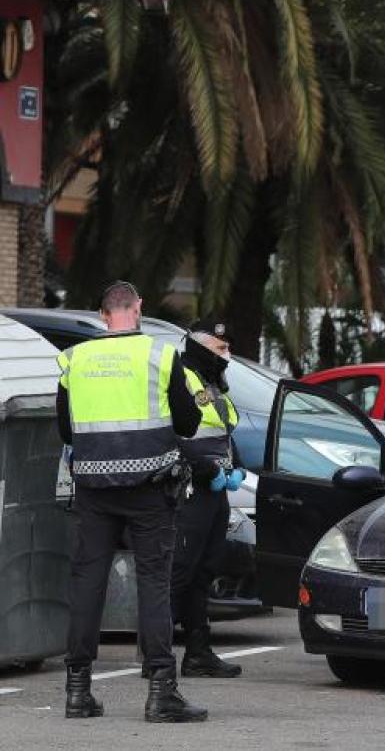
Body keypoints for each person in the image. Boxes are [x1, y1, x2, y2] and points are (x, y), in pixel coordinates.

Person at [57, 281, 208, 722]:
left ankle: (78, 692)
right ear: (138, 308)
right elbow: (188, 421)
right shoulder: (160, 355)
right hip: (150, 487)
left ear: (103, 314)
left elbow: (66, 430)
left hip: (92, 489)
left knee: (88, 582)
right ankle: (161, 692)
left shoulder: (75, 360)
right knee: (153, 582)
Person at [169, 319, 244, 678]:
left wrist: (236, 466)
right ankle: (156, 654)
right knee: (179, 571)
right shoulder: (180, 375)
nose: (225, 355)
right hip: (189, 486)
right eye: (219, 348)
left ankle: (198, 652)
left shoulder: (212, 382)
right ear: (199, 345)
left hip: (216, 488)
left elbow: (221, 430)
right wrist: (203, 469)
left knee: (204, 570)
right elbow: (172, 432)